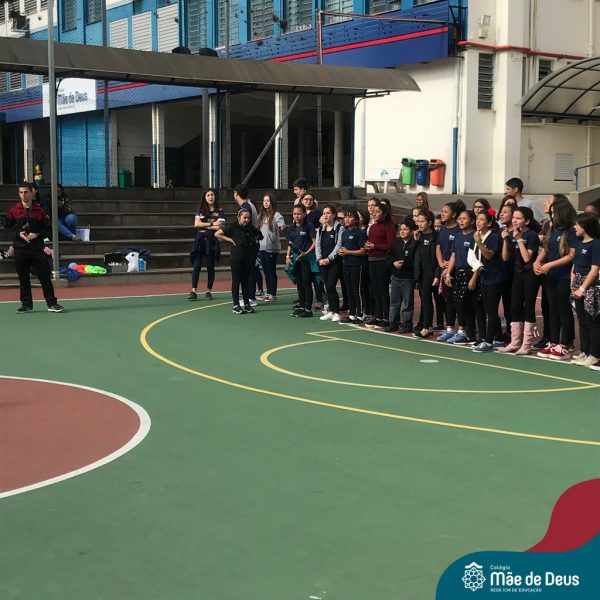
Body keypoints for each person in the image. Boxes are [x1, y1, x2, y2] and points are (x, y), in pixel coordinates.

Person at [5, 181, 64, 313]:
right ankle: (26, 304)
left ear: (32, 193)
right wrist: (18, 233)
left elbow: (48, 230)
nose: (23, 195)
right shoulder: (13, 211)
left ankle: (52, 303)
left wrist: (37, 234)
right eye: (21, 192)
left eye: (26, 192)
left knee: (45, 277)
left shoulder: (40, 211)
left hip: (37, 249)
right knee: (23, 279)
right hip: (20, 250)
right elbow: (7, 229)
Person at [533, 195, 578, 360]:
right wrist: (537, 261)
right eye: (551, 213)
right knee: (552, 310)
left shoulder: (571, 231)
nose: (552, 216)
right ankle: (553, 342)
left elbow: (571, 255)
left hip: (564, 276)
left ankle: (565, 344)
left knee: (563, 309)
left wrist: (550, 265)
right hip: (550, 276)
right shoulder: (553, 229)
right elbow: (546, 249)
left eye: (554, 213)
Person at [499, 207, 541, 355]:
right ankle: (515, 342)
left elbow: (527, 258)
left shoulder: (532, 235)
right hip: (517, 274)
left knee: (528, 307)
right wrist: (505, 239)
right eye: (514, 218)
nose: (515, 220)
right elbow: (505, 257)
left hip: (530, 275)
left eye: (518, 218)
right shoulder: (512, 234)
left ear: (527, 221)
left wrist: (519, 239)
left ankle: (526, 344)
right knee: (514, 307)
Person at [444, 210, 484, 344]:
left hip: (471, 273)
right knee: (463, 304)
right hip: (459, 273)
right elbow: (453, 255)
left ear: (472, 221)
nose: (461, 221)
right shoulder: (457, 236)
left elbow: (478, 259)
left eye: (464, 218)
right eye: (459, 218)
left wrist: (474, 277)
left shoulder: (475, 236)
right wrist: (448, 272)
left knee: (475, 305)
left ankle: (480, 336)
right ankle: (469, 334)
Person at [215, 208, 263, 314]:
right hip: (236, 258)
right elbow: (217, 234)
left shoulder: (251, 228)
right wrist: (229, 239)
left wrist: (254, 243)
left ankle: (246, 304)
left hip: (248, 258)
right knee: (236, 281)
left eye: (248, 218)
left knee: (246, 281)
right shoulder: (232, 227)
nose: (246, 220)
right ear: (238, 217)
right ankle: (236, 305)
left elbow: (259, 236)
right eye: (244, 218)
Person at [472, 210, 505, 352]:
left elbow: (489, 255)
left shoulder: (493, 237)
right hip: (485, 277)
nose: (478, 222)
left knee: (491, 311)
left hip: (495, 277)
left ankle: (488, 341)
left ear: (489, 222)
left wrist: (478, 241)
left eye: (482, 219)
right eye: (477, 219)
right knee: (489, 310)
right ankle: (499, 338)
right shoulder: (479, 236)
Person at [570, 212, 600, 367]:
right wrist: (573, 286)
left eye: (577, 224)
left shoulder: (596, 244)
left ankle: (595, 355)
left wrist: (582, 288)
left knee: (591, 321)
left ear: (585, 226)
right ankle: (585, 351)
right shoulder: (579, 243)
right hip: (577, 285)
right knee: (581, 321)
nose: (574, 227)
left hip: (590, 286)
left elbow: (594, 270)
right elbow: (575, 268)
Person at [187, 188, 224, 301]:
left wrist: (205, 225)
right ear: (205, 197)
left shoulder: (220, 211)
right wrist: (211, 223)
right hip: (200, 240)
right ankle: (193, 291)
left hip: (211, 240)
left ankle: (208, 291)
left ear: (215, 197)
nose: (210, 197)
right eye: (208, 195)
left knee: (210, 267)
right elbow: (196, 224)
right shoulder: (200, 210)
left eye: (212, 195)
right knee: (197, 266)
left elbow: (219, 226)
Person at [436, 200, 464, 342]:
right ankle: (449, 329)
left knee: (457, 301)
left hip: (455, 269)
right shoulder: (442, 229)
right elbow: (438, 248)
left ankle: (462, 330)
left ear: (453, 214)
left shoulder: (458, 230)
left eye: (445, 212)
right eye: (442, 211)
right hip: (444, 269)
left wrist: (448, 268)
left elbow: (457, 251)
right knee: (448, 301)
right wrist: (441, 264)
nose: (442, 214)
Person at [364, 202, 396, 328]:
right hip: (372, 260)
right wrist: (368, 246)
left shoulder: (388, 227)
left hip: (382, 261)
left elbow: (391, 246)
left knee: (383, 289)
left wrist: (375, 246)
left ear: (384, 213)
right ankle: (378, 315)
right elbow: (371, 242)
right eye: (374, 212)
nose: (375, 214)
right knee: (375, 289)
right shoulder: (372, 227)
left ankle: (386, 317)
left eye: (378, 212)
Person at [386, 219, 417, 333]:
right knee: (394, 302)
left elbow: (415, 259)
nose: (402, 231)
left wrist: (406, 264)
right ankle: (393, 322)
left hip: (408, 278)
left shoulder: (414, 244)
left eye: (405, 229)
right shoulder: (396, 242)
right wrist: (394, 263)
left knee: (407, 303)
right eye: (401, 229)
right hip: (396, 277)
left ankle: (407, 324)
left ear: (412, 231)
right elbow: (388, 256)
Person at [286, 204, 317, 317]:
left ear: (304, 214)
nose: (296, 216)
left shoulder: (309, 226)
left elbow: (315, 242)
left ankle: (308, 309)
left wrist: (306, 253)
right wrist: (288, 256)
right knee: (299, 283)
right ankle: (302, 306)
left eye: (299, 213)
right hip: (296, 259)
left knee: (306, 283)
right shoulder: (292, 227)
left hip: (306, 259)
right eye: (294, 214)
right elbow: (290, 242)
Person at [413, 209, 439, 338]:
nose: (420, 224)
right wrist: (415, 240)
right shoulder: (419, 236)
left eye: (422, 221)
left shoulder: (436, 236)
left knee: (426, 299)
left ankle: (426, 327)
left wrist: (437, 274)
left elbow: (439, 258)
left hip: (431, 272)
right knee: (424, 299)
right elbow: (413, 253)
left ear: (429, 222)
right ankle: (428, 326)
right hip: (421, 272)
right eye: (418, 221)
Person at [316, 205, 344, 322]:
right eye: (324, 213)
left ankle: (337, 312)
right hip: (323, 262)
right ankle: (331, 311)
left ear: (334, 215)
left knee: (331, 285)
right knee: (327, 287)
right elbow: (318, 245)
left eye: (328, 213)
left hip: (334, 262)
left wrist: (329, 258)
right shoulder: (321, 229)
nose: (325, 215)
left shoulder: (339, 228)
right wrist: (319, 258)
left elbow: (339, 245)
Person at [339, 209, 367, 323]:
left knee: (358, 290)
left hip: (357, 265)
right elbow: (343, 248)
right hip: (346, 264)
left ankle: (360, 314)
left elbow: (363, 251)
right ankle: (352, 313)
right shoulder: (345, 233)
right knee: (349, 290)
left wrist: (348, 252)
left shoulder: (360, 233)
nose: (347, 219)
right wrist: (342, 252)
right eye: (346, 217)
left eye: (350, 217)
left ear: (356, 219)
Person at [233, 184, 259, 305]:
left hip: (250, 243)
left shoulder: (246, 207)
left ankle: (250, 297)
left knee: (250, 270)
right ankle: (249, 296)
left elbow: (246, 226)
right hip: (252, 242)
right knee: (250, 269)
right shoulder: (249, 205)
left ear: (236, 194)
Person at [257, 193, 285, 302]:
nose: (266, 203)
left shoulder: (276, 215)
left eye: (268, 201)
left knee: (271, 270)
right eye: (264, 201)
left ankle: (273, 294)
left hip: (271, 248)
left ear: (272, 202)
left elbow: (281, 223)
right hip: (261, 247)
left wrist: (281, 226)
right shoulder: (261, 216)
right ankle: (268, 292)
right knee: (265, 271)